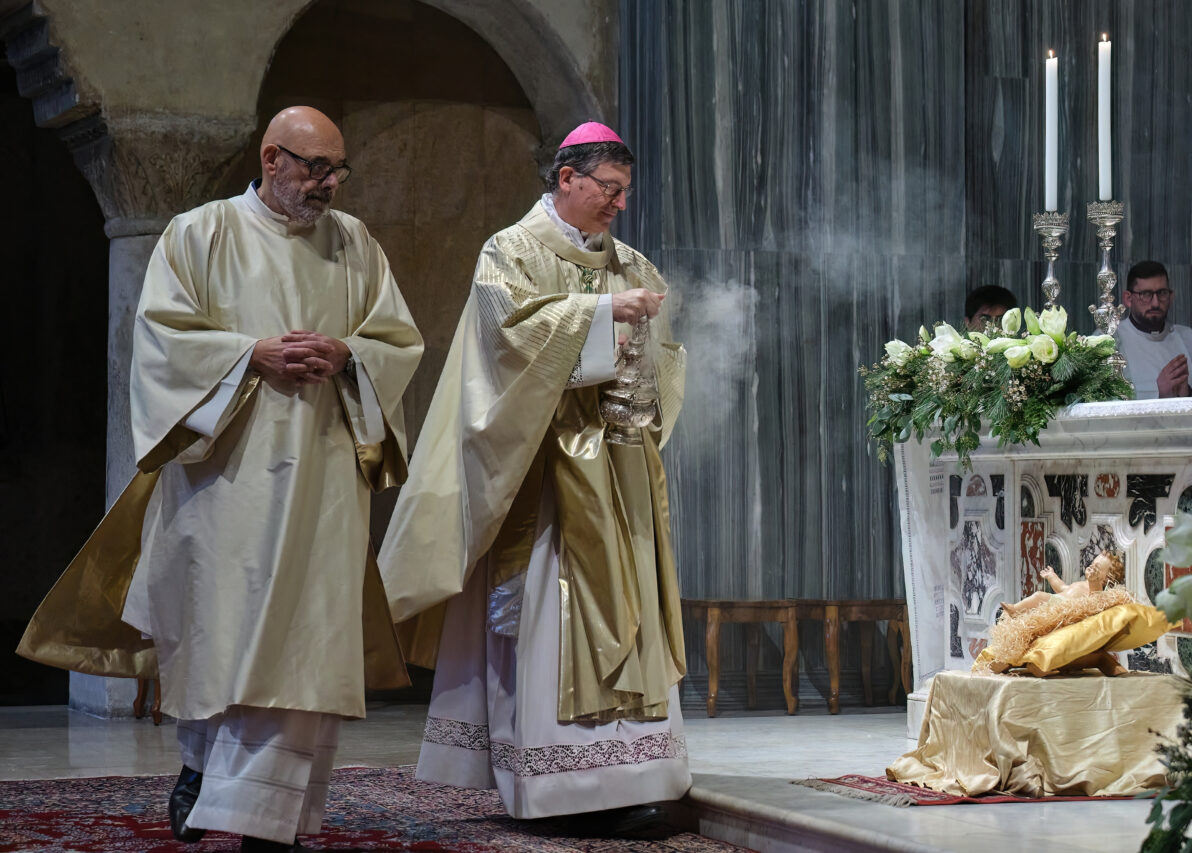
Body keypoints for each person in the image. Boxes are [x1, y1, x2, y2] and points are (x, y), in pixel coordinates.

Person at [18, 106, 423, 852]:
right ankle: (202, 765)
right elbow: (163, 341)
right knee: (222, 637)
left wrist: (349, 354)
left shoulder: (354, 242)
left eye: (338, 169)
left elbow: (397, 338)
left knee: (304, 644)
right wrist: (249, 355)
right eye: (314, 167)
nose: (329, 184)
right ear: (271, 158)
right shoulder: (199, 233)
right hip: (228, 479)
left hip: (326, 477)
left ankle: (263, 817)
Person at [378, 121, 689, 836]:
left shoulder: (631, 262)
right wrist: (605, 313)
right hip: (543, 475)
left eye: (625, 192)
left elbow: (659, 356)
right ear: (567, 178)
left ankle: (634, 773)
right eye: (608, 190)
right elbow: (506, 343)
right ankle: (559, 784)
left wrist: (645, 354)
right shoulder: (508, 251)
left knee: (628, 607)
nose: (618, 205)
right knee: (553, 613)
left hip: (618, 470)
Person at [1114, 260, 1192, 399]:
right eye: (1146, 294)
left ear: (1171, 296)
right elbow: (1099, 404)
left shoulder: (1190, 340)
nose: (1155, 303)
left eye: (1162, 293)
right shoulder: (1111, 341)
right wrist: (1159, 395)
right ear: (1128, 299)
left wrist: (1189, 393)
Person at [1001, 551, 1124, 617]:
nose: (1091, 567)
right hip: (1057, 601)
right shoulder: (1081, 583)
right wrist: (1052, 576)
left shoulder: (1095, 587)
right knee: (1037, 601)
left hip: (1063, 608)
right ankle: (1018, 612)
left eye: (1096, 568)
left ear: (1107, 578)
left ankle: (1015, 610)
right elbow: (1062, 588)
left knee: (1039, 596)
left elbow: (1095, 599)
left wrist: (1094, 581)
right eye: (1092, 564)